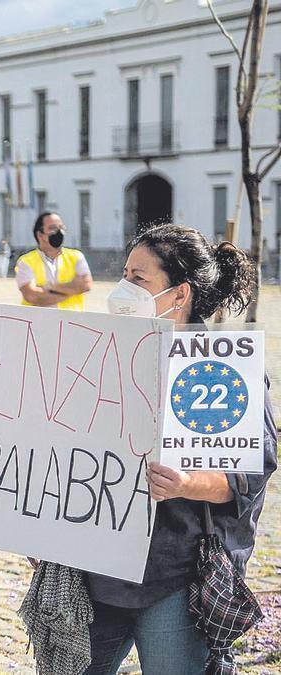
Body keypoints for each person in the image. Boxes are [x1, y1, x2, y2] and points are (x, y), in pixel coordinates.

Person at [85, 223, 276, 674]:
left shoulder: (221, 367)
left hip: (172, 576)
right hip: (95, 570)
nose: (122, 289)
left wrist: (187, 483)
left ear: (178, 294)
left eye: (138, 279)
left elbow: (247, 476)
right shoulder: (97, 352)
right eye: (124, 274)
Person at [15, 211, 92, 310]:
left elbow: (86, 285)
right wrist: (71, 291)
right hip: (39, 323)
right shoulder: (26, 261)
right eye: (53, 228)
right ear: (40, 235)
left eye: (61, 228)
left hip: (71, 322)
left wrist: (50, 287)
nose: (59, 232)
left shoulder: (76, 256)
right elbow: (32, 296)